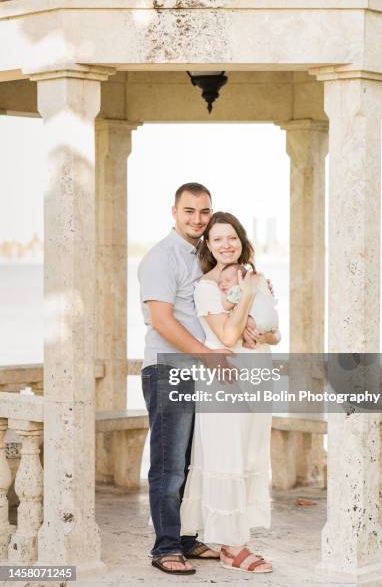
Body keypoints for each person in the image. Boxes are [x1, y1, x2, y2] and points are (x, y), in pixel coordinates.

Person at [180, 211, 280, 574]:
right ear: (208, 244)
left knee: (250, 455)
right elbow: (225, 337)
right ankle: (231, 548)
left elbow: (276, 334)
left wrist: (262, 332)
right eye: (218, 238)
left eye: (232, 237)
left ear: (242, 240)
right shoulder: (206, 287)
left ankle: (238, 540)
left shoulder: (253, 276)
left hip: (258, 376)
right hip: (226, 380)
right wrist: (249, 297)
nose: (227, 245)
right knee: (227, 456)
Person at [138, 183, 223, 575]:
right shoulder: (161, 257)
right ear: (173, 211)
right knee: (169, 464)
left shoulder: (202, 257)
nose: (197, 219)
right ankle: (166, 546)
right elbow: (161, 320)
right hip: (168, 370)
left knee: (191, 462)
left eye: (204, 212)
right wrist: (207, 356)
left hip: (195, 373)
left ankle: (186, 537)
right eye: (189, 211)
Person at [218, 262, 281, 348]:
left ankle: (250, 342)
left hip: (260, 321)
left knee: (241, 321)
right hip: (274, 320)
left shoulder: (238, 288)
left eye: (228, 280)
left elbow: (227, 306)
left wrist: (221, 292)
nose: (222, 284)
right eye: (220, 282)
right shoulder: (255, 282)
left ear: (241, 279)